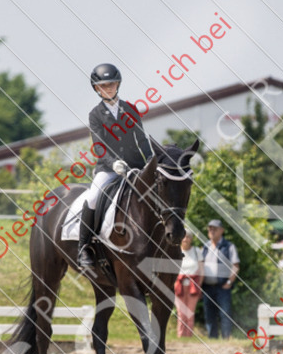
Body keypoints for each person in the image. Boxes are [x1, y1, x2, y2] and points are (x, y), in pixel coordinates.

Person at [77, 63, 155, 274]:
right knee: (92, 197)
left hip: (136, 165)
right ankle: (84, 246)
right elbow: (98, 146)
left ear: (118, 84)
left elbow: (141, 138)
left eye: (111, 84)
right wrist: (113, 163)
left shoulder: (130, 109)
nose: (108, 88)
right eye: (103, 86)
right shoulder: (95, 114)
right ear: (97, 89)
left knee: (159, 189)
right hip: (108, 168)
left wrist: (150, 160)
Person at [201, 219, 239, 339]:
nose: (212, 231)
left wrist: (229, 282)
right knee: (209, 314)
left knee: (225, 313)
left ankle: (226, 338)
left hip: (223, 287)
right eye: (210, 228)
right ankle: (212, 338)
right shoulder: (205, 247)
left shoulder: (229, 246)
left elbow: (236, 266)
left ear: (221, 231)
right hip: (207, 287)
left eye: (215, 229)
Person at [174, 231, 203, 337]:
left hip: (193, 285)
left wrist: (199, 285)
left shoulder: (196, 251)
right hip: (178, 285)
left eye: (188, 237)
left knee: (190, 313)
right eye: (184, 237)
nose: (186, 239)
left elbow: (201, 270)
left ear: (191, 239)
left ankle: (189, 336)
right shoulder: (175, 251)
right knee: (181, 313)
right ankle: (181, 336)